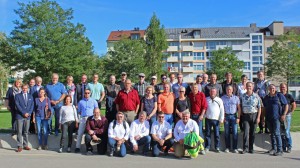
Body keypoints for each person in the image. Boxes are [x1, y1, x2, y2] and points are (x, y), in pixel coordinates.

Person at [263, 84, 288, 156]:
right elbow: (264, 108)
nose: (272, 89)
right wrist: (263, 119)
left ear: (275, 89)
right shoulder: (266, 98)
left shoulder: (279, 96)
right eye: (270, 88)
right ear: (268, 89)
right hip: (268, 118)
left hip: (277, 118)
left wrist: (284, 114)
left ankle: (280, 150)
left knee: (277, 133)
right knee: (272, 134)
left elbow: (286, 105)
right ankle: (274, 148)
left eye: (273, 88)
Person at [240, 82, 261, 154]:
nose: (249, 87)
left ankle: (251, 148)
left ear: (252, 87)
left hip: (254, 115)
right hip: (245, 116)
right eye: (248, 86)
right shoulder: (242, 96)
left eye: (250, 86)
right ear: (245, 87)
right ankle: (245, 148)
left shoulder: (256, 96)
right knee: (246, 132)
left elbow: (259, 107)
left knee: (252, 133)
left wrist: (258, 117)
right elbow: (240, 106)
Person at [75, 88, 98, 153]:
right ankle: (77, 147)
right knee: (80, 133)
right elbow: (79, 111)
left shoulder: (94, 101)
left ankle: (89, 148)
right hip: (83, 118)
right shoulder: (81, 102)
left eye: (88, 93)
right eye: (85, 93)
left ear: (90, 94)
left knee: (90, 133)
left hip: (91, 119)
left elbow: (96, 110)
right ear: (84, 94)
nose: (87, 94)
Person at [221, 86, 241, 153]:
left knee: (235, 132)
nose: (228, 91)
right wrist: (223, 117)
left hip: (234, 116)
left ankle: (235, 148)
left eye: (230, 89)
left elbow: (239, 108)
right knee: (226, 133)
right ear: (226, 90)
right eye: (227, 89)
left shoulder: (236, 98)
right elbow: (222, 108)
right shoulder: (222, 98)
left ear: (232, 90)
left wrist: (238, 117)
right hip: (226, 116)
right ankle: (227, 147)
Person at [14, 84, 34, 152]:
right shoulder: (17, 96)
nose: (25, 89)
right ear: (22, 88)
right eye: (23, 88)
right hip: (20, 116)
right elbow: (17, 105)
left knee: (26, 131)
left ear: (28, 88)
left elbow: (32, 106)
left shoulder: (30, 96)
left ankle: (25, 145)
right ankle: (19, 146)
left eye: (26, 88)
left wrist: (29, 113)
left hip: (28, 116)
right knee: (19, 131)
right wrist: (23, 113)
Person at [205, 88, 224, 153]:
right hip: (208, 119)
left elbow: (222, 110)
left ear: (216, 93)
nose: (212, 93)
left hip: (216, 120)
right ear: (209, 92)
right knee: (207, 134)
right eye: (211, 91)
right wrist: (204, 116)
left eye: (214, 92)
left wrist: (221, 118)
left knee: (217, 134)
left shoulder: (219, 100)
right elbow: (204, 108)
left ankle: (217, 147)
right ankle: (207, 146)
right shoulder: (206, 99)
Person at [279, 83, 296, 153]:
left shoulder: (289, 96)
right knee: (282, 132)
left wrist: (290, 112)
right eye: (281, 87)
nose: (282, 88)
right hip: (280, 116)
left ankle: (289, 146)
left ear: (286, 88)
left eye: (284, 87)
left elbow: (293, 105)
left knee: (286, 131)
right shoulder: (278, 95)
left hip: (287, 116)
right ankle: (283, 146)